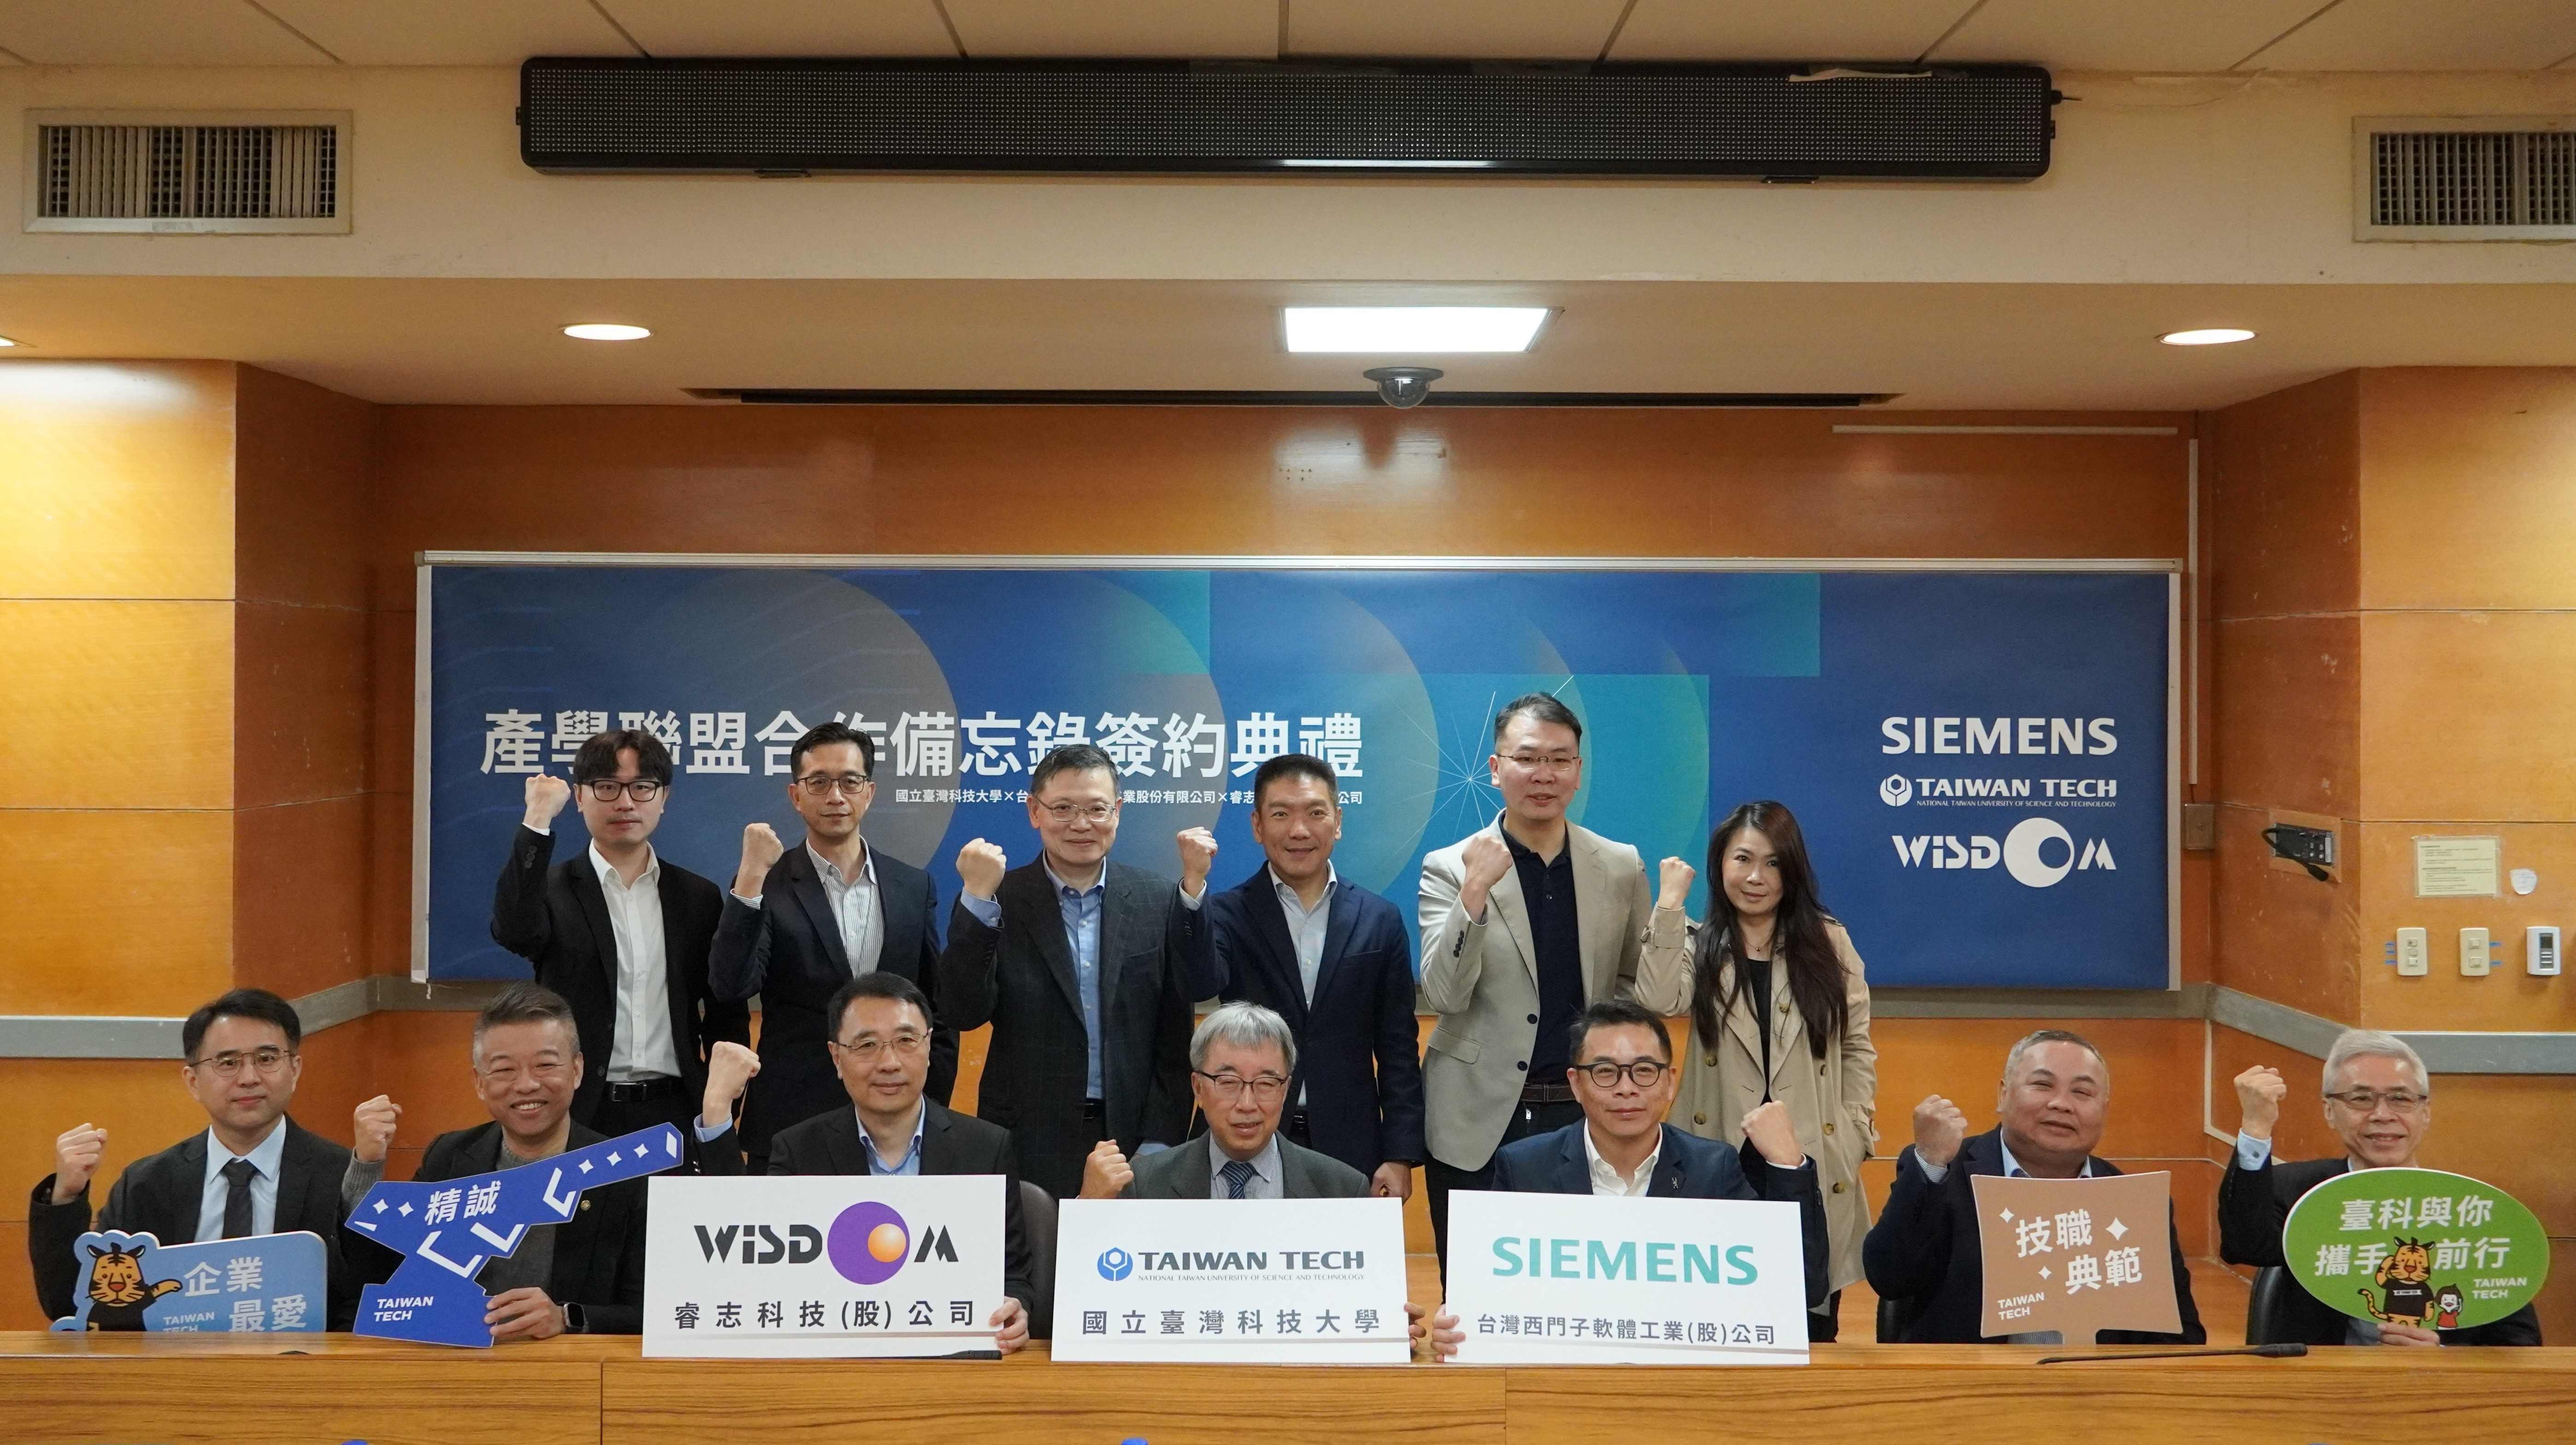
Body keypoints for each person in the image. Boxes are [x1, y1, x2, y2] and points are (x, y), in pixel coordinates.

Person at [1416, 693, 1689, 1271]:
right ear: (1495, 769)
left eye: (1559, 760)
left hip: (1586, 1109)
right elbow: (1443, 995)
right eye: (1527, 758)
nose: (1543, 775)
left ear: (1577, 772)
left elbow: (1644, 995)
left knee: (1584, 1282)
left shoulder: (1618, 865)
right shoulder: (1449, 865)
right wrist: (1473, 894)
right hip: (1476, 1116)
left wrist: (1669, 918)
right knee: (1471, 1289)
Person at [1632, 801, 1876, 1340]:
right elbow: (1655, 997)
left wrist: (1855, 1130)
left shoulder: (1828, 942)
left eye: (1772, 863)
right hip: (1719, 1147)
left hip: (1808, 1152)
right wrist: (1669, 902)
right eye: (1742, 859)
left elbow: (1857, 1046)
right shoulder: (1699, 942)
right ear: (1720, 864)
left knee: (1808, 1328)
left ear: (1792, 871)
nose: (1755, 877)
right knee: (1713, 1323)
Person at [693, 970, 1038, 1349]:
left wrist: (1017, 1307)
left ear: (928, 1048)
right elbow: (746, 1260)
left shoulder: (985, 1148)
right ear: (836, 1058)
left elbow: (1012, 1272)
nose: (889, 1062)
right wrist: (716, 1109)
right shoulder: (799, 1151)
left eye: (906, 1040)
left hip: (949, 1359)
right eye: (867, 1045)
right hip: (836, 1360)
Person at [938, 742, 1217, 1200]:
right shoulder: (997, 898)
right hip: (1024, 1138)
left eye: (1096, 808)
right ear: (1034, 811)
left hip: (1134, 1140)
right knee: (1035, 1265)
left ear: (1118, 811)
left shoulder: (1157, 898)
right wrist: (975, 899)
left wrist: (1159, 1137)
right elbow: (962, 1010)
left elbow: (1175, 1028)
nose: (1080, 824)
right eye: (1063, 808)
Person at [708, 721, 956, 1171]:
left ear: (869, 791)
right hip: (793, 1113)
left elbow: (935, 1003)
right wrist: (747, 883)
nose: (835, 796)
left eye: (849, 781)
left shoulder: (911, 885)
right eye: (818, 782)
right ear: (795, 795)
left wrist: (930, 1096)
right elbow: (731, 984)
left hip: (899, 1115)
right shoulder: (767, 882)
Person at [29, 989, 355, 1328]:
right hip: (175, 1375)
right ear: (194, 1081)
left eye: (267, 1059)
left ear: (295, 1069)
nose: (249, 1078)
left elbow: (364, 1298)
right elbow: (71, 1305)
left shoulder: (341, 1175)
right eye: (227, 1063)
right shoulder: (147, 1183)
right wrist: (65, 1196)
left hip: (301, 1373)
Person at [340, 985, 646, 1339]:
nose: (527, 1085)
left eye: (545, 1065)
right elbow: (378, 1274)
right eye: (504, 1070)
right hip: (459, 1367)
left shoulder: (622, 1172)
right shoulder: (450, 1158)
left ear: (577, 1070)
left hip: (574, 1375)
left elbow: (650, 1310)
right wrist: (368, 1163)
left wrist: (565, 1318)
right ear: (479, 1083)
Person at [1862, 1029, 2203, 1344]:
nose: (2061, 1104)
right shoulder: (1946, 1171)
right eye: (2042, 1085)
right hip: (1972, 1391)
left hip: (2094, 1394)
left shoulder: (2130, 1200)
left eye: (2082, 1092)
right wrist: (1930, 1163)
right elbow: (1890, 1278)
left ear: (2104, 1109)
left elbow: (2178, 1333)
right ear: (2003, 1094)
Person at [492, 728, 750, 1142]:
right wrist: (537, 819)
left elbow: (725, 1009)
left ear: (664, 798)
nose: (626, 802)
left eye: (643, 787)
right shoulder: (554, 890)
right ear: (579, 797)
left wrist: (719, 1103)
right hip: (579, 1110)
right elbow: (515, 931)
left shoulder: (697, 897)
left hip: (677, 1109)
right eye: (607, 787)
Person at [1487, 998, 1831, 1307]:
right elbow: (1490, 1291)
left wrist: (1788, 1167)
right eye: (1605, 1072)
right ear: (1576, 1084)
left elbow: (1802, 1289)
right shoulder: (1524, 1168)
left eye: (1644, 1072)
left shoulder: (1712, 1170)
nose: (1626, 1089)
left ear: (1669, 1083)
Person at [2220, 1029, 2541, 1346]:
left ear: (2425, 1112)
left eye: (2400, 1099)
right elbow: (2244, 1245)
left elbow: (2520, 1342)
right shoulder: (2297, 1191)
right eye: (2361, 1099)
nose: (2382, 1115)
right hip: (2322, 1382)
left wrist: (2443, 1358)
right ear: (2329, 1111)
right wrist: (2256, 1127)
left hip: (2438, 1389)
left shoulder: (2471, 1209)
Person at [1196, 752, 1423, 1199]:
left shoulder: (1378, 918)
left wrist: (1399, 1154)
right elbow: (1200, 984)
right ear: (1257, 825)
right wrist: (1193, 891)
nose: (1299, 830)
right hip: (1246, 1135)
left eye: (1315, 813)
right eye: (1280, 814)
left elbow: (1397, 1047)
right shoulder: (1224, 912)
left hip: (1350, 1147)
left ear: (1336, 821)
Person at [1079, 1001, 1370, 1201]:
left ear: (1286, 1090)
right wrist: (1090, 1209)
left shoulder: (1342, 1189)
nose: (1247, 1104)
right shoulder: (1143, 1185)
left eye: (1266, 1084)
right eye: (1228, 1083)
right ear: (1198, 1089)